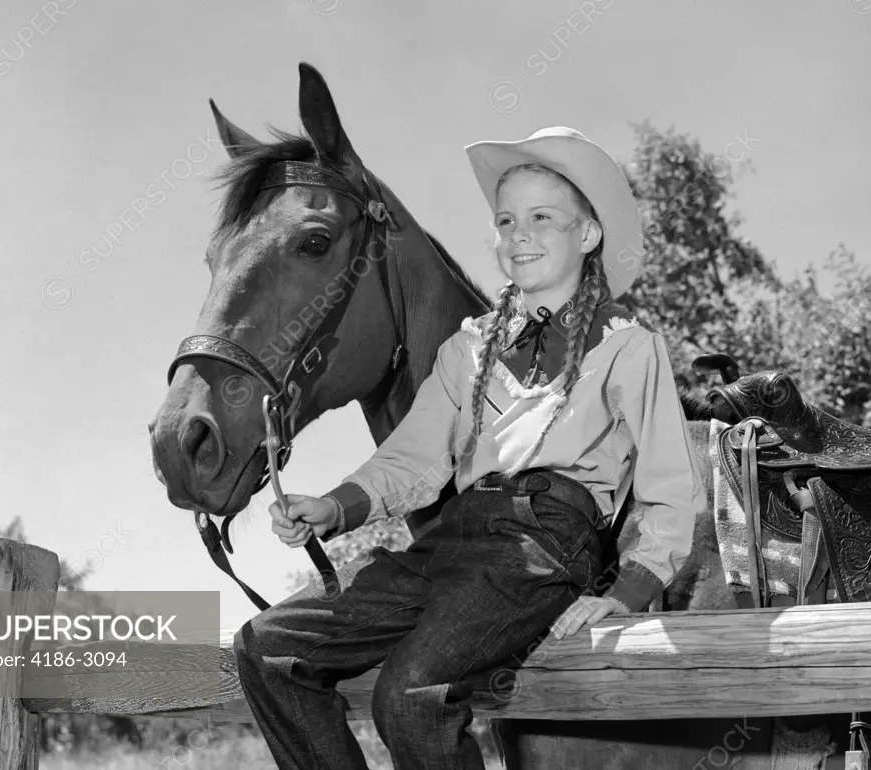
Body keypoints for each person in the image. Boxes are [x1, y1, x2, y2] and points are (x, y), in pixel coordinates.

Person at [233, 126, 707, 770]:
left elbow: (669, 489)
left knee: (409, 694)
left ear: (588, 235)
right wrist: (335, 507)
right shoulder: (468, 348)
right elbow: (415, 458)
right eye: (507, 219)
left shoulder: (629, 346)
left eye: (543, 217)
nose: (519, 234)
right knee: (269, 646)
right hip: (450, 537)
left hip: (545, 540)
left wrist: (624, 592)